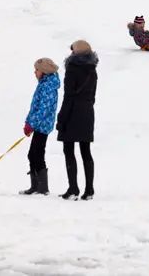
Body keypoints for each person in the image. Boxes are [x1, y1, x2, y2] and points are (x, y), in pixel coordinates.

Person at [57, 40, 98, 201]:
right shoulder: (93, 71)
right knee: (86, 152)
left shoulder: (72, 70)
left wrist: (61, 118)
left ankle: (73, 188)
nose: (71, 53)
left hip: (73, 112)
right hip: (88, 112)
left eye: (73, 51)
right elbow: (93, 96)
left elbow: (68, 97)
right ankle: (89, 190)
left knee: (69, 150)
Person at [20, 57, 61, 196]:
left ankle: (42, 187)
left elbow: (43, 109)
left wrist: (32, 124)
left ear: (43, 71)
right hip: (37, 125)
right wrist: (28, 122)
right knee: (34, 154)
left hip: (42, 126)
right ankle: (36, 186)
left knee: (36, 154)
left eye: (36, 70)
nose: (34, 72)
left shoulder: (48, 86)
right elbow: (35, 106)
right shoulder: (44, 84)